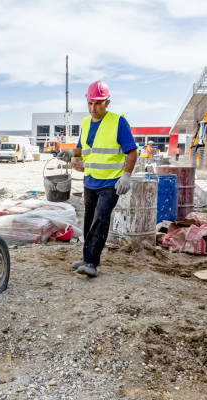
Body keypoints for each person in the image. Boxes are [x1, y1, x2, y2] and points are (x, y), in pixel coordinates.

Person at [57, 80, 137, 278]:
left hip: (111, 182)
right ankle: (86, 259)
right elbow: (82, 149)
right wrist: (69, 155)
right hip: (90, 180)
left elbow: (132, 152)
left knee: (100, 219)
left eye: (98, 103)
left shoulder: (118, 122)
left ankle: (92, 262)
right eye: (90, 103)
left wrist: (126, 176)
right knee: (89, 220)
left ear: (107, 103)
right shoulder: (85, 124)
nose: (93, 108)